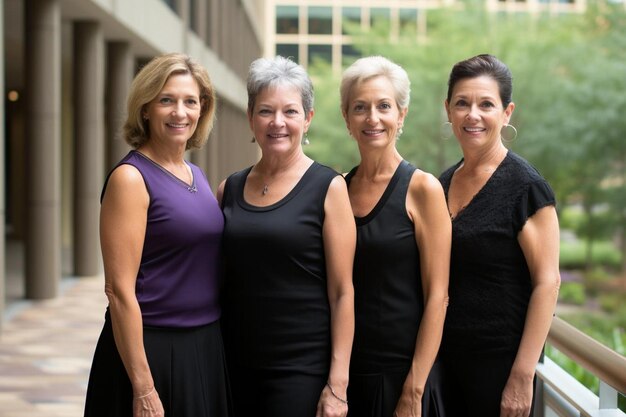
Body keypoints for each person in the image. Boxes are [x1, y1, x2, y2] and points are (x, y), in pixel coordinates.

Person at [84, 53, 229, 417]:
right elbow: (119, 291)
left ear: (202, 110)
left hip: (204, 344)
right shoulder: (131, 179)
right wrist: (144, 387)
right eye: (167, 100)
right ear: (146, 108)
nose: (179, 112)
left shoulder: (196, 174)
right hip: (152, 350)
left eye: (190, 101)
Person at [217, 55, 356, 417]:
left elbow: (343, 292)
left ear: (307, 118)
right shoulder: (228, 189)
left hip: (300, 370)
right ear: (251, 118)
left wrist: (337, 387)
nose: (277, 122)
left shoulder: (329, 187)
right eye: (266, 111)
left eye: (290, 112)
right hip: (233, 364)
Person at [438, 54, 561, 417]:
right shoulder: (441, 183)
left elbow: (548, 283)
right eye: (462, 103)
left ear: (506, 113)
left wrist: (522, 376)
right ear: (448, 110)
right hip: (445, 364)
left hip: (499, 368)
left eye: (486, 104)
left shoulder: (527, 186)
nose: (472, 115)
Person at [339, 56, 451, 417]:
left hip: (402, 377)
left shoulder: (422, 188)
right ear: (347, 118)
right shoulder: (336, 189)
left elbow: (439, 296)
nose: (373, 118)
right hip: (343, 375)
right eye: (361, 108)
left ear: (401, 115)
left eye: (384, 106)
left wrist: (413, 391)